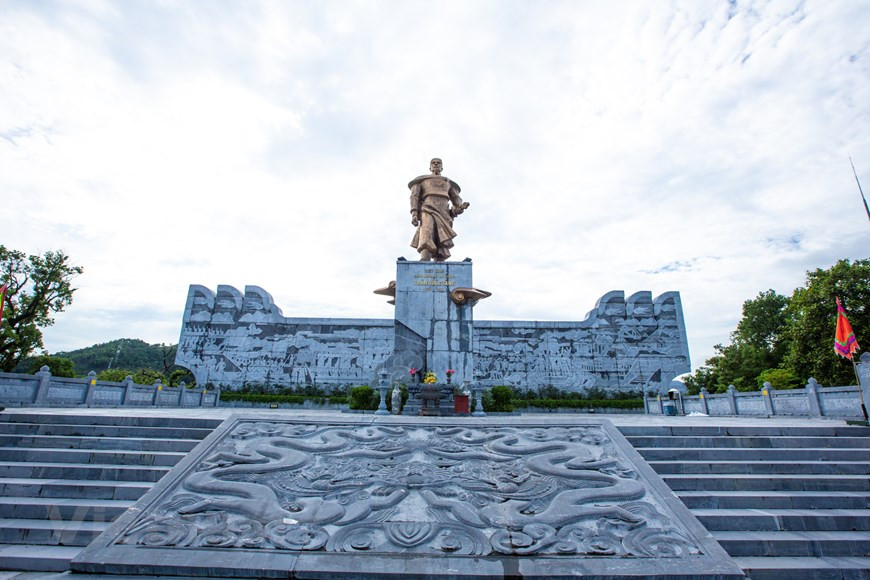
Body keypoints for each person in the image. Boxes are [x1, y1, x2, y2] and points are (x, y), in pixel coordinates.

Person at [408, 158, 469, 261]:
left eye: (438, 163)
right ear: (430, 167)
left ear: (442, 167)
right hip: (427, 208)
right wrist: (414, 213)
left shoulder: (448, 182)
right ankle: (425, 258)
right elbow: (414, 196)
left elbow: (456, 199)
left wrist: (460, 207)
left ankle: (439, 260)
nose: (436, 164)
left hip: (444, 211)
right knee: (427, 231)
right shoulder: (422, 180)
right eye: (433, 163)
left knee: (441, 236)